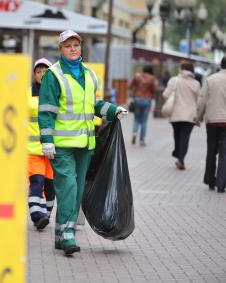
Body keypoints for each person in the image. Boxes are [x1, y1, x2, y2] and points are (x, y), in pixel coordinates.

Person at [38, 30, 128, 256]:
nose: (73, 49)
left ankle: (60, 235)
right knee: (68, 188)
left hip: (85, 145)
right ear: (60, 49)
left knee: (76, 191)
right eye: (68, 45)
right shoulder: (53, 75)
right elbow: (46, 111)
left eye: (76, 45)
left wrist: (112, 110)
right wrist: (47, 140)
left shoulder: (89, 74)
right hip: (61, 145)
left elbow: (93, 104)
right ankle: (69, 235)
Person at [27, 58, 56, 230]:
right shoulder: (26, 94)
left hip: (52, 149)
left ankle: (46, 214)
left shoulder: (57, 95)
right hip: (32, 149)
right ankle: (37, 215)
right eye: (38, 71)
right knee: (37, 181)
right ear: (34, 74)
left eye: (45, 71)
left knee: (50, 186)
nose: (42, 74)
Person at [196, 56, 226, 193]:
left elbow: (202, 100)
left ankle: (210, 181)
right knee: (224, 153)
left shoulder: (210, 79)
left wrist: (198, 117)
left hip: (212, 121)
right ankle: (221, 184)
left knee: (211, 151)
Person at [162, 62, 199, 170]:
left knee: (177, 136)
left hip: (176, 114)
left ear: (181, 69)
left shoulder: (174, 80)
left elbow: (165, 95)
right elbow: (199, 99)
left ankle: (178, 155)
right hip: (190, 116)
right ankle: (180, 158)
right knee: (185, 137)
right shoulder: (196, 83)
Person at [129, 65, 157, 146]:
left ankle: (134, 133)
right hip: (147, 100)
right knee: (144, 121)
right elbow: (154, 90)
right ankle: (142, 140)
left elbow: (130, 86)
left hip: (137, 99)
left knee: (136, 119)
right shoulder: (152, 78)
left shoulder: (137, 76)